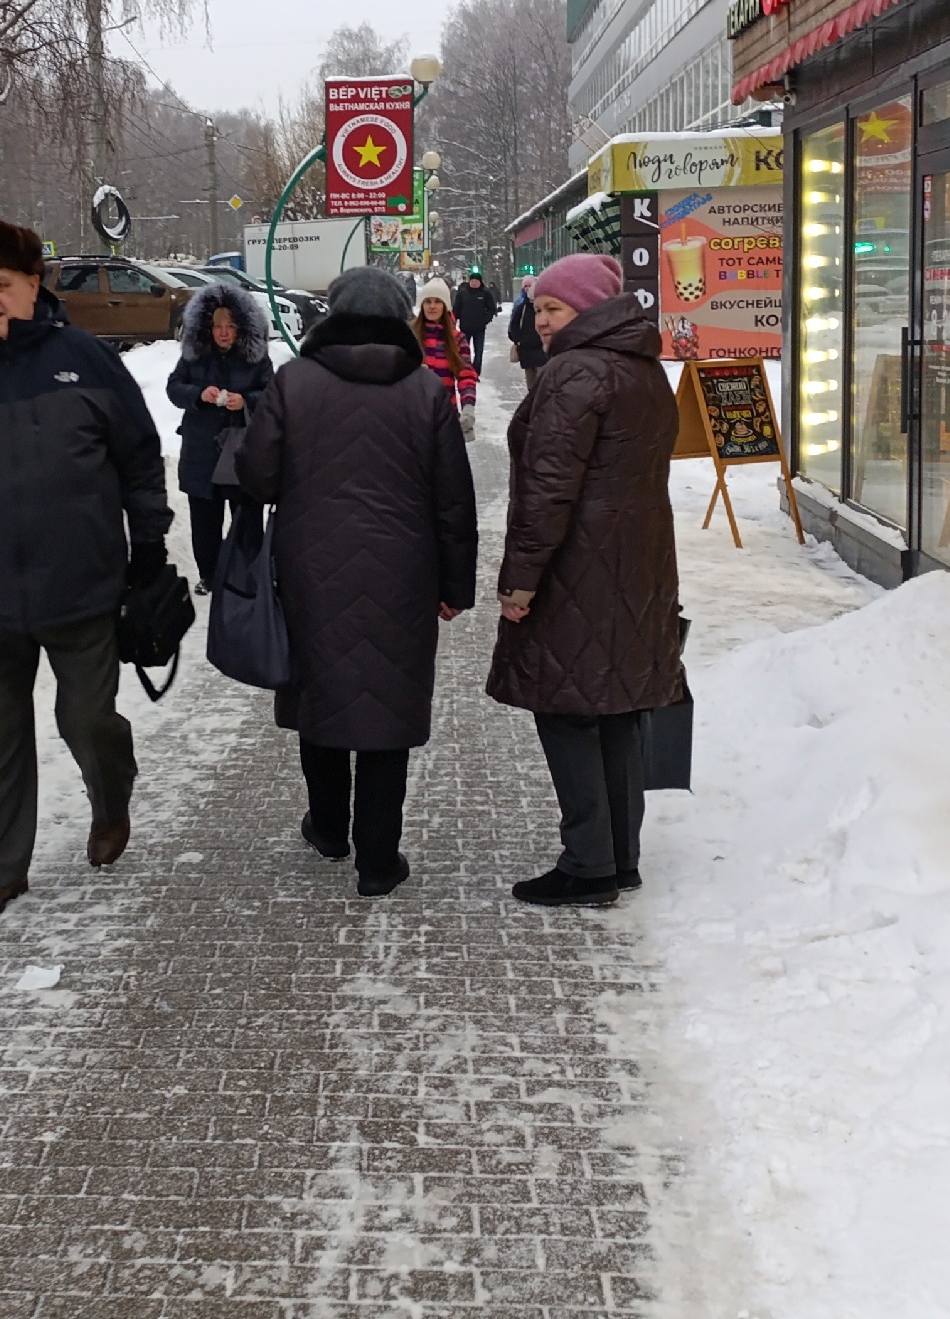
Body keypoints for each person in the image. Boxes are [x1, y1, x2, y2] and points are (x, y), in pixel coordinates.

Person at [0, 221, 174, 924]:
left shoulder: (85, 359)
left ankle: (111, 801)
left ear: (33, 285)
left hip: (82, 586)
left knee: (86, 720)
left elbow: (139, 457)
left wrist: (150, 546)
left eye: (0, 285)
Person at [238, 267, 477, 897]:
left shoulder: (294, 382)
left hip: (311, 571)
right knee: (385, 707)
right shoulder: (426, 390)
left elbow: (257, 478)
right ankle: (378, 858)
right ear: (399, 319)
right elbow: (455, 499)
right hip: (405, 572)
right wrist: (457, 586)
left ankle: (327, 827)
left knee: (321, 694)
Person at [486, 250, 688, 908]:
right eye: (539, 308)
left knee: (568, 711)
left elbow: (547, 492)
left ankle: (588, 861)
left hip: (578, 570)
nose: (541, 320)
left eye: (554, 308)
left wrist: (519, 582)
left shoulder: (574, 373)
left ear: (590, 309)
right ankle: (620, 856)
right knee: (617, 711)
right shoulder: (641, 369)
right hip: (637, 567)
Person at [164, 281, 275, 593]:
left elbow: (272, 391)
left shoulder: (256, 358)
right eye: (217, 326)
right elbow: (174, 387)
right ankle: (210, 575)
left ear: (241, 327)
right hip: (202, 449)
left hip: (241, 450)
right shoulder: (194, 357)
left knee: (248, 517)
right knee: (204, 519)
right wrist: (199, 394)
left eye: (230, 326)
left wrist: (247, 401)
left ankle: (246, 575)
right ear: (207, 328)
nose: (223, 332)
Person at [416, 277, 480, 436]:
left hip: (446, 414)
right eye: (427, 301)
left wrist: (468, 406)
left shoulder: (457, 339)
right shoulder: (411, 336)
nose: (432, 306)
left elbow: (466, 374)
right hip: (416, 415)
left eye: (437, 301)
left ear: (445, 306)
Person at [453, 264, 499, 377]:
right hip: (465, 327)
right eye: (472, 281)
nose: (474, 283)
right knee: (464, 351)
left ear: (480, 282)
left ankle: (476, 372)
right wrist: (454, 321)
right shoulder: (463, 293)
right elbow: (456, 309)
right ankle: (465, 370)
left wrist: (485, 319)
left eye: (476, 281)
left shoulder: (485, 293)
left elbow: (491, 308)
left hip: (479, 328)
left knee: (479, 352)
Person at [506, 269, 549, 390]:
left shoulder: (544, 307)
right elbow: (513, 325)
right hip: (526, 350)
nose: (528, 289)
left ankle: (539, 404)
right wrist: (518, 340)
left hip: (540, 349)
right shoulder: (521, 307)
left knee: (541, 382)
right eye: (526, 286)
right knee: (531, 383)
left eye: (531, 286)